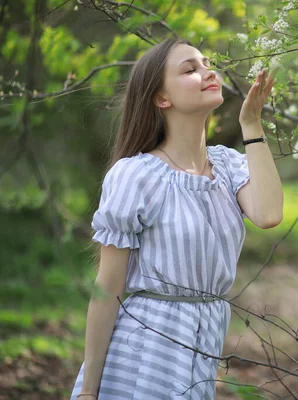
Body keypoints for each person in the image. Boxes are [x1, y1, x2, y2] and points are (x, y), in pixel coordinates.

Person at [70, 37, 283, 399]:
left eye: (206, 63)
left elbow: (268, 214)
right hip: (143, 353)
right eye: (190, 69)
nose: (207, 71)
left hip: (204, 347)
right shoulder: (136, 175)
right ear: (161, 98)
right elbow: (107, 289)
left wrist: (252, 125)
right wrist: (89, 391)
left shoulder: (229, 167)